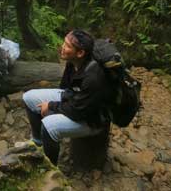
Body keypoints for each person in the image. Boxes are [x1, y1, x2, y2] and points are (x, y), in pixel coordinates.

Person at [22, 30, 110, 166]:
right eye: (64, 42)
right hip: (76, 100)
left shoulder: (93, 77)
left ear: (80, 53)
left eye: (68, 45)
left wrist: (51, 106)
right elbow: (66, 89)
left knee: (49, 126)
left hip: (92, 119)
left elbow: (79, 111)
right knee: (29, 97)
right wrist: (54, 105)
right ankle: (37, 142)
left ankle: (49, 168)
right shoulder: (73, 61)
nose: (62, 47)